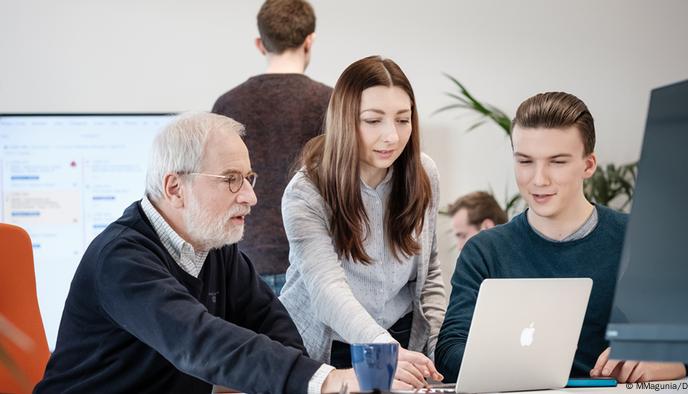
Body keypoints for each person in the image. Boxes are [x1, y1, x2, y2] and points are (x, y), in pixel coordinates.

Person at [35, 113, 357, 394]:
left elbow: (274, 327)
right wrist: (323, 382)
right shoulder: (120, 259)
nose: (251, 196)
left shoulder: (215, 248)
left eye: (248, 178)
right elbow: (199, 342)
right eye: (232, 179)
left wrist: (305, 382)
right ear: (175, 188)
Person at [435, 92, 688, 383]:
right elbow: (449, 352)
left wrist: (673, 361)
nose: (539, 179)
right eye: (525, 161)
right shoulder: (484, 251)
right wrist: (515, 365)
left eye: (557, 162)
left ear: (588, 165)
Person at [279, 56, 446, 390]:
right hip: (330, 350)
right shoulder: (307, 191)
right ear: (344, 121)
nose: (391, 136)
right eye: (372, 120)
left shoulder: (423, 173)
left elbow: (429, 276)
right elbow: (327, 291)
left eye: (403, 119)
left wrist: (437, 348)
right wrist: (385, 350)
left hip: (399, 343)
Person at [212, 0, 332, 295]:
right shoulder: (332, 102)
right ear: (309, 40)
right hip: (315, 261)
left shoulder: (228, 104)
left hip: (244, 259)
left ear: (259, 43)